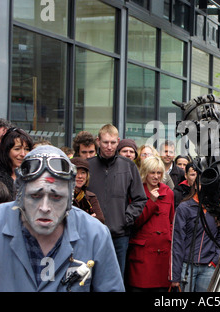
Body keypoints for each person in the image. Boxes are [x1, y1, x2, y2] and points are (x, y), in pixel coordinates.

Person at [0, 145, 124, 291]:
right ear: (19, 194)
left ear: (70, 196)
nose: (45, 207)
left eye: (56, 196)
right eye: (35, 195)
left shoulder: (96, 235)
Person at [87, 124, 147, 276]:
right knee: (90, 278)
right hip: (92, 234)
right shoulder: (88, 166)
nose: (109, 146)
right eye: (106, 142)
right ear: (98, 141)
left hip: (119, 235)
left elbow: (140, 198)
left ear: (118, 141)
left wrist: (125, 219)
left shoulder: (128, 166)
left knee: (116, 278)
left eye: (113, 142)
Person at [126, 156, 174, 292]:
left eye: (159, 173)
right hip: (142, 255)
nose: (156, 176)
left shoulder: (168, 193)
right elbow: (134, 222)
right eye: (152, 172)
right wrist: (151, 201)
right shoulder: (137, 191)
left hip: (163, 254)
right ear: (145, 173)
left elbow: (171, 221)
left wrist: (168, 240)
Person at [170, 184, 220, 292]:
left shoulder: (215, 209)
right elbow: (177, 242)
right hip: (187, 266)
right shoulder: (184, 208)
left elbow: (219, 237)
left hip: (208, 267)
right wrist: (175, 275)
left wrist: (215, 260)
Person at [0, 127, 33, 199]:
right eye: (17, 149)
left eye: (27, 149)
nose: (23, 154)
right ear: (6, 151)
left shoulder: (33, 175)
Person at [70, 157, 105, 224]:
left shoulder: (90, 196)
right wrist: (89, 218)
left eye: (83, 173)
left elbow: (101, 219)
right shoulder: (64, 195)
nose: (80, 176)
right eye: (76, 172)